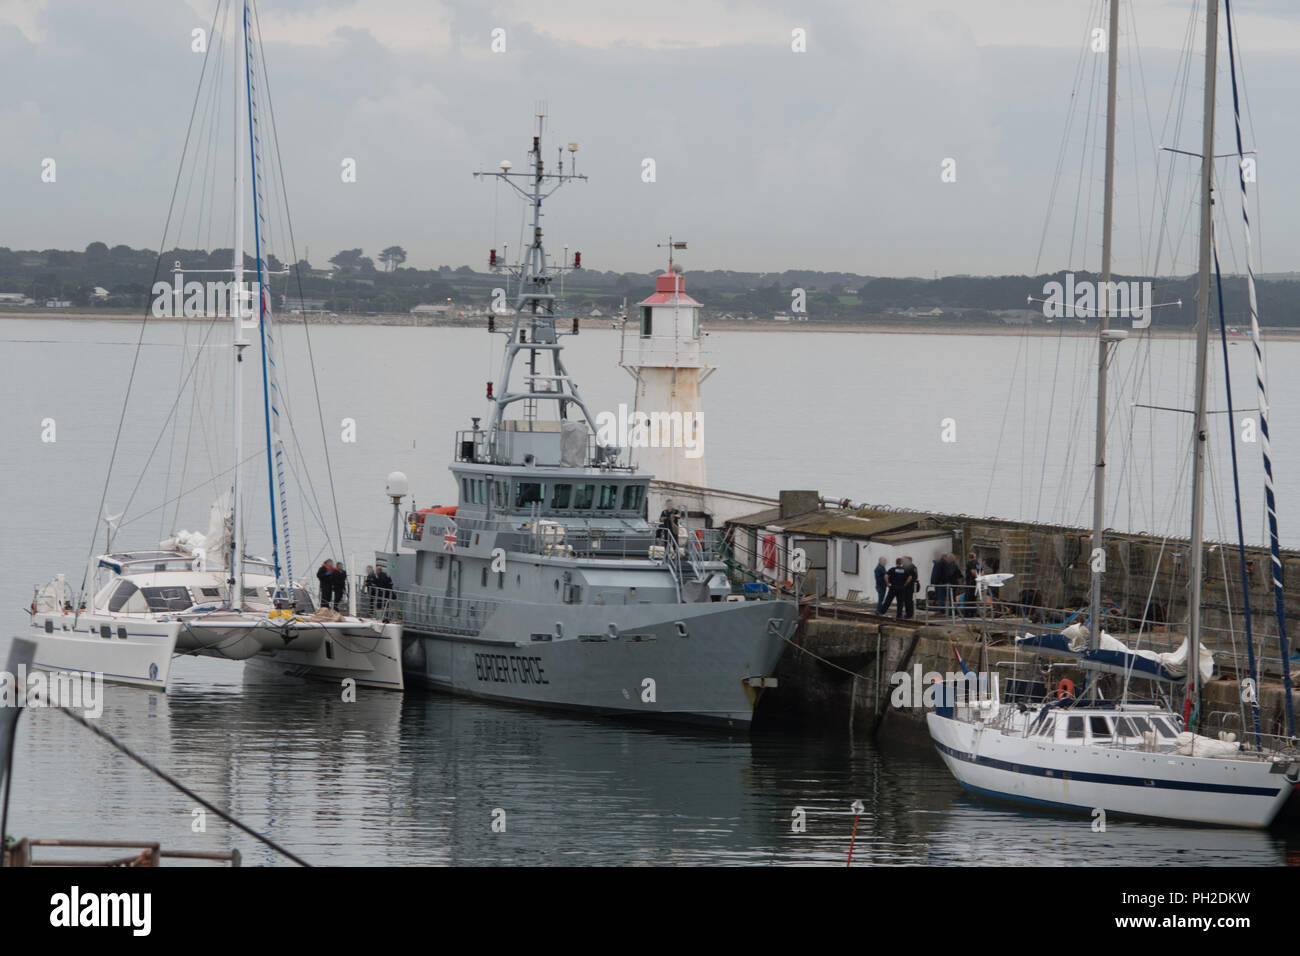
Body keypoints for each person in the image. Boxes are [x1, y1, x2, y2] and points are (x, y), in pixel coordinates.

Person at [964, 551, 982, 617]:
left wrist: (976, 577)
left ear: (969, 557)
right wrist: (979, 578)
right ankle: (973, 613)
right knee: (974, 598)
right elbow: (981, 571)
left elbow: (973, 571)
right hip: (976, 583)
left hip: (970, 583)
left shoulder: (970, 563)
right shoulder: (977, 563)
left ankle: (967, 613)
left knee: (968, 598)